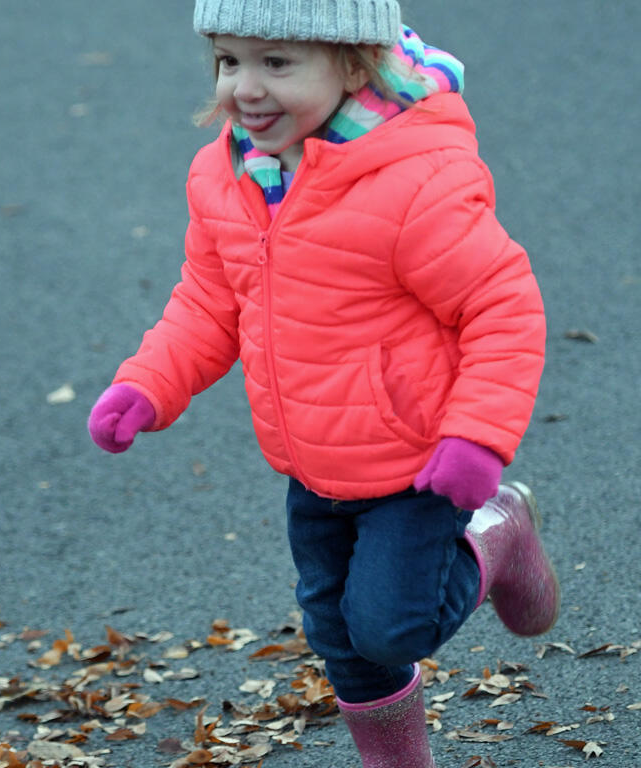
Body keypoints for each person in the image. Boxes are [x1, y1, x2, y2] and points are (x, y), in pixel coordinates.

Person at [88, 2, 560, 765]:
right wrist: (147, 384)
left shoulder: (414, 181)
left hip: (418, 462)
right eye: (230, 60)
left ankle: (496, 533)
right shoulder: (228, 174)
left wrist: (477, 435)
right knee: (337, 632)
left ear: (352, 64)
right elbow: (209, 302)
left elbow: (501, 308)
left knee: (392, 628)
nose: (245, 87)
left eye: (276, 62)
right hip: (310, 460)